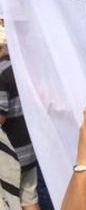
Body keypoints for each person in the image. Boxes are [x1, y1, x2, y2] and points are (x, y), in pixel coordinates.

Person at [0, 26, 41, 210]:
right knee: (30, 200)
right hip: (28, 149)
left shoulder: (1, 74)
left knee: (9, 202)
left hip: (9, 155)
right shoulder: (18, 68)